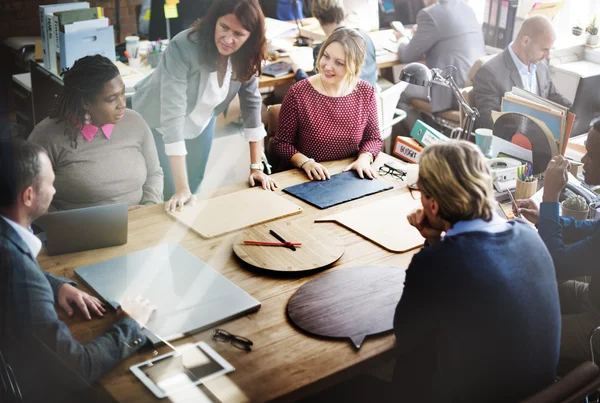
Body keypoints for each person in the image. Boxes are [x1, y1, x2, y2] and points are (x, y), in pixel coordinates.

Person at [394, 141, 560, 402]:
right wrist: (437, 240)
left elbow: (406, 334)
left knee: (403, 371)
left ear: (434, 206)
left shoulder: (436, 262)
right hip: (547, 392)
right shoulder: (528, 233)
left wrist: (432, 248)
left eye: (422, 195)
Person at [0, 139, 156, 402]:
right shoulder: (19, 272)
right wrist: (132, 324)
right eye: (49, 183)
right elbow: (76, 369)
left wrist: (57, 285)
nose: (54, 189)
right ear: (28, 196)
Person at [133, 0, 276, 213]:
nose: (228, 39)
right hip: (159, 122)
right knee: (170, 191)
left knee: (195, 185)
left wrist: (256, 168)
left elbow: (252, 106)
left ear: (250, 37)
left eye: (238, 34)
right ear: (214, 22)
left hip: (202, 119)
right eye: (224, 27)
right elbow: (172, 115)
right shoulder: (184, 46)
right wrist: (181, 189)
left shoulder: (246, 55)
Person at [28, 55, 163, 211]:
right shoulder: (48, 136)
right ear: (85, 103)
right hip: (81, 232)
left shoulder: (135, 122)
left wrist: (149, 207)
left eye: (123, 93)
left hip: (141, 223)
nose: (122, 104)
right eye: (111, 99)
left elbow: (154, 173)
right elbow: (32, 196)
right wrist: (69, 225)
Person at [516, 122, 600, 368]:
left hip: (596, 325)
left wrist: (550, 196)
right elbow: (590, 229)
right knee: (531, 286)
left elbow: (554, 263)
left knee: (521, 334)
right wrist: (548, 217)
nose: (583, 160)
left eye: (592, 154)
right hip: (594, 298)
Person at [273, 28, 382, 180]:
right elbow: (282, 144)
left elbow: (373, 139)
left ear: (354, 66)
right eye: (326, 56)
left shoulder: (365, 91)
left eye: (339, 63)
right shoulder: (298, 93)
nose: (328, 66)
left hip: (348, 175)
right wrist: (305, 163)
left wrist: (364, 158)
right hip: (305, 177)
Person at [473, 15, 572, 129]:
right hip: (511, 142)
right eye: (544, 49)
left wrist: (577, 113)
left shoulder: (541, 66)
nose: (548, 55)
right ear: (526, 41)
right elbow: (490, 123)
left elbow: (554, 97)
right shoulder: (489, 74)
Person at [394, 0, 485, 115]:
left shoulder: (429, 14)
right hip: (471, 89)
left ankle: (419, 132)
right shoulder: (467, 8)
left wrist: (401, 39)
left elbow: (407, 55)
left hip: (451, 91)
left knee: (399, 92)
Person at [292, 0, 378, 89]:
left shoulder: (323, 49)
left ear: (319, 19)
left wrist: (298, 72)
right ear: (343, 12)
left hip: (344, 101)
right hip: (373, 99)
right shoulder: (366, 37)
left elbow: (315, 90)